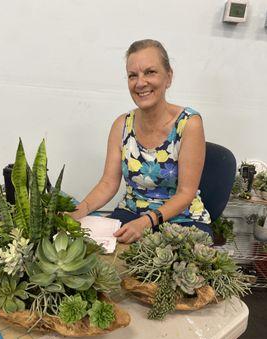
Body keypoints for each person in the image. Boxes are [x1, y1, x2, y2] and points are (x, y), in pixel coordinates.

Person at [70, 39, 211, 243]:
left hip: (183, 220)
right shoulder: (122, 125)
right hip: (131, 213)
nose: (140, 82)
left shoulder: (189, 124)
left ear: (168, 77)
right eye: (132, 75)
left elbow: (186, 193)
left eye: (150, 72)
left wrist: (145, 222)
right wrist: (79, 211)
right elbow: (108, 183)